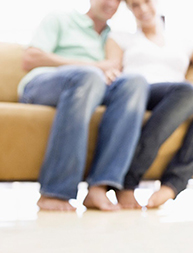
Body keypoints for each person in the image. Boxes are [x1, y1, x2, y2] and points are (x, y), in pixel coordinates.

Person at [18, 0, 149, 212]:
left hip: (92, 89)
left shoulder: (113, 38)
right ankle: (55, 190)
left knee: (135, 83)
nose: (110, 3)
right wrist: (94, 67)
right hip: (43, 85)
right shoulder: (61, 18)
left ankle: (100, 186)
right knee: (89, 77)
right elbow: (30, 58)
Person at [107, 0, 193, 209]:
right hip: (142, 92)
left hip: (180, 96)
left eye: (147, 2)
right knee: (185, 90)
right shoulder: (120, 38)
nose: (143, 9)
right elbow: (113, 69)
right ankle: (127, 182)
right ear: (129, 10)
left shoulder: (183, 41)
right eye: (135, 5)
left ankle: (173, 184)